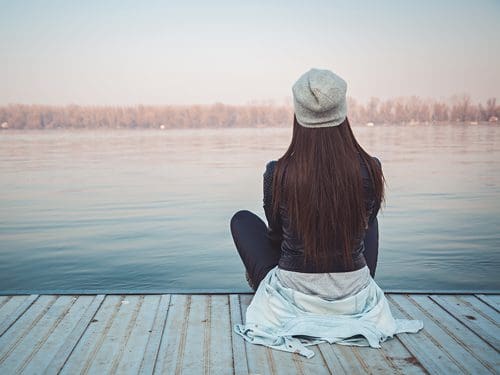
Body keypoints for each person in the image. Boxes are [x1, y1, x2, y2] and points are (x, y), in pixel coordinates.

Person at [230, 68, 422, 358]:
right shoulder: (371, 167)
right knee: (366, 221)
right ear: (343, 111)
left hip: (294, 294)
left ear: (298, 113)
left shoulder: (278, 172)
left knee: (242, 221)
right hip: (354, 292)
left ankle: (265, 286)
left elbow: (276, 234)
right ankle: (347, 284)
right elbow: (367, 225)